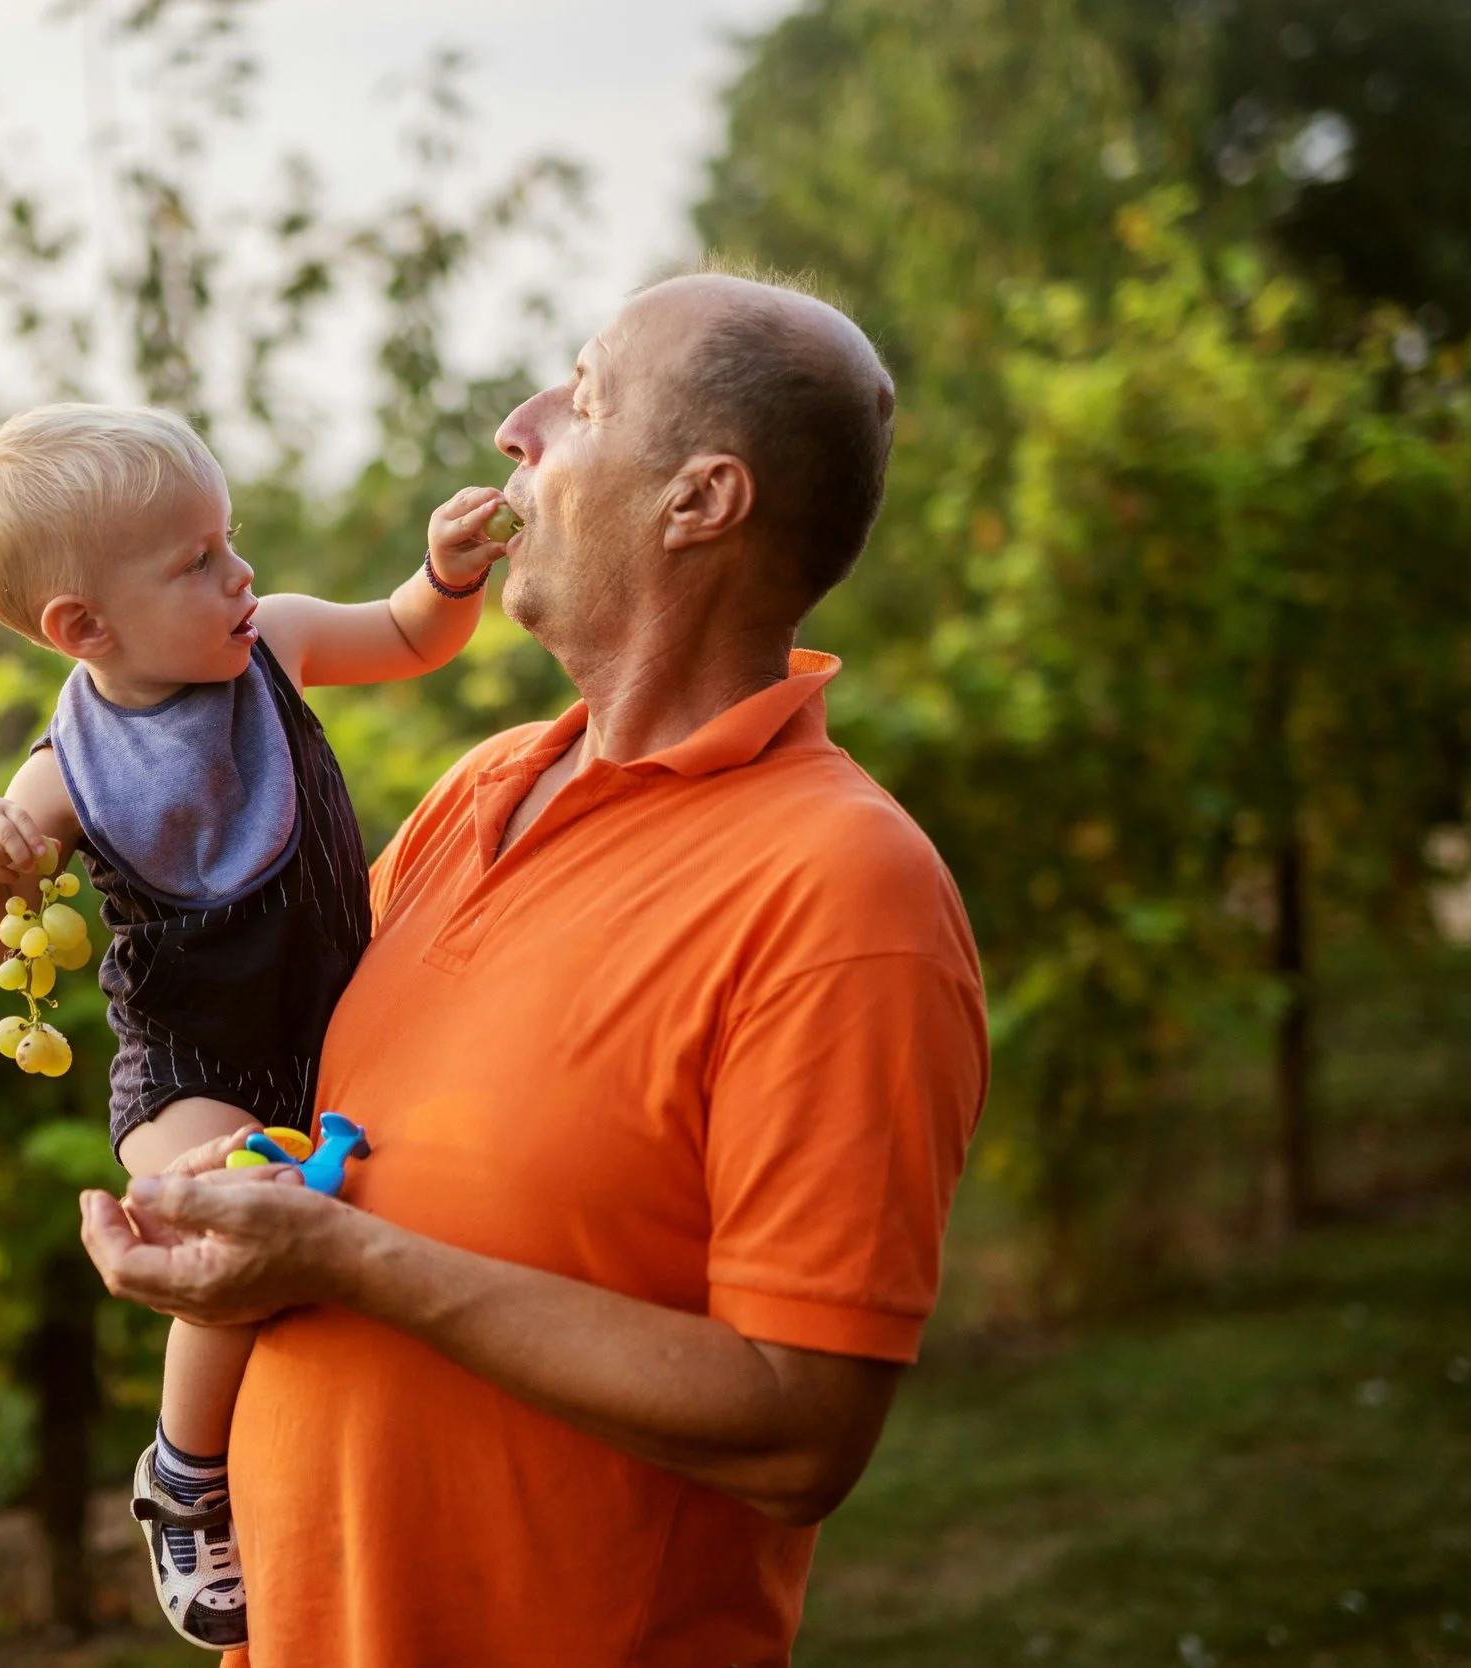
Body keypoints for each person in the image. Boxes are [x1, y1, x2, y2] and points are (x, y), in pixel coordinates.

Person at [78, 273, 990, 1667]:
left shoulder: (842, 892)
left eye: (585, 393)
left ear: (701, 500)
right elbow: (296, 1093)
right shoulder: (478, 792)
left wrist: (355, 1261)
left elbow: (799, 1429)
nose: (519, 425)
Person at [0, 403, 512, 1649]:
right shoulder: (63, 780)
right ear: (83, 629)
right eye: (196, 561)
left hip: (335, 1026)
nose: (239, 572)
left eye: (228, 537)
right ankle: (185, 1474)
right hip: (188, 1070)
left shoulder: (278, 645)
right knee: (238, 1205)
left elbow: (409, 636)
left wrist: (443, 576)